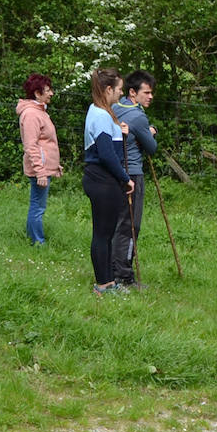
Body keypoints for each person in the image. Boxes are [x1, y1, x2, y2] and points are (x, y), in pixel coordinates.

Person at [83, 69, 135, 295]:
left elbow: (109, 143)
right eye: (119, 89)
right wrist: (126, 179)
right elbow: (106, 154)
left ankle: (109, 281)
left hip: (101, 179)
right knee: (103, 234)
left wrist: (121, 134)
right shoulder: (102, 115)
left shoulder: (100, 111)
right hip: (103, 180)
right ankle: (103, 285)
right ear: (108, 90)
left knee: (105, 233)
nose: (121, 93)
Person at [111, 70, 158, 288]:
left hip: (113, 172)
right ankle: (124, 276)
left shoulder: (114, 107)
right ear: (133, 92)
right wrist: (150, 132)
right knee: (130, 225)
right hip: (132, 173)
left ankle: (111, 270)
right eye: (146, 92)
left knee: (116, 222)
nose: (150, 97)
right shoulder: (138, 116)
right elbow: (151, 147)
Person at [17, 74, 64, 245]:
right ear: (37, 93)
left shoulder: (40, 112)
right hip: (39, 170)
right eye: (48, 90)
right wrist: (40, 172)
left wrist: (54, 165)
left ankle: (33, 238)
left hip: (43, 167)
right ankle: (38, 242)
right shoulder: (31, 114)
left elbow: (46, 143)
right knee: (38, 206)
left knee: (37, 204)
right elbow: (31, 145)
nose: (51, 93)